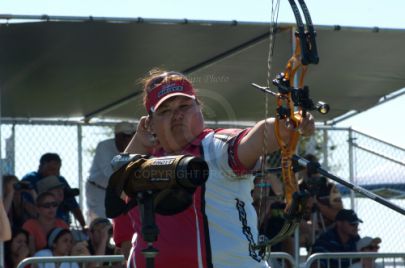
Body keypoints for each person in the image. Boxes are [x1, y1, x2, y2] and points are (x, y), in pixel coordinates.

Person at [110, 69, 315, 268]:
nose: (177, 115)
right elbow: (125, 235)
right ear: (149, 124)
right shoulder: (138, 165)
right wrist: (139, 140)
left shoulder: (214, 145)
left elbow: (255, 139)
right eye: (165, 111)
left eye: (184, 106)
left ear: (199, 109)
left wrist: (287, 125)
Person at [86, 121, 135, 222]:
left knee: (121, 224)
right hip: (98, 190)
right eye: (125, 136)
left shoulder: (132, 148)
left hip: (117, 192)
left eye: (132, 136)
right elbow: (110, 174)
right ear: (117, 136)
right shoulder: (104, 146)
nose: (129, 139)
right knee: (101, 225)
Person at [21, 153, 86, 228]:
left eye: (58, 170)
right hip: (41, 225)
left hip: (62, 224)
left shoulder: (60, 180)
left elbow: (74, 206)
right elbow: (26, 205)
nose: (55, 173)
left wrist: (84, 226)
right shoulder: (30, 179)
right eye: (51, 170)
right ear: (40, 167)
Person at [298, 154, 344, 252]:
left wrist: (317, 204)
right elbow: (290, 213)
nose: (306, 172)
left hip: (329, 229)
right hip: (305, 230)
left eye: (312, 169)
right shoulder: (298, 188)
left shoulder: (329, 187)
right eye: (303, 168)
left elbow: (339, 216)